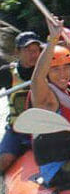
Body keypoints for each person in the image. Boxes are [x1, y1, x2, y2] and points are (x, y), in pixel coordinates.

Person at [28, 18, 70, 187]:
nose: (62, 74)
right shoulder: (46, 98)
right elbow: (36, 79)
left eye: (66, 68)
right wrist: (53, 40)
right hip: (58, 170)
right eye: (55, 69)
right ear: (47, 73)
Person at [0, 31, 43, 173]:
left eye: (36, 50)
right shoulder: (7, 73)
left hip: (43, 128)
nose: (33, 54)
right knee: (3, 160)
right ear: (17, 52)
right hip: (17, 129)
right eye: (28, 50)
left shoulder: (47, 71)